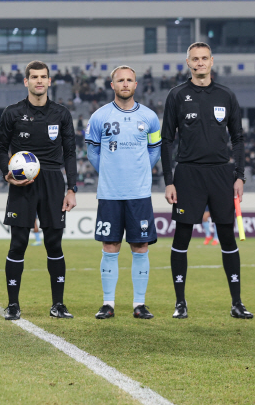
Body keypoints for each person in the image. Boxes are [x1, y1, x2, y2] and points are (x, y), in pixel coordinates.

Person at [161, 42, 252, 320]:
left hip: (222, 175)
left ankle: (237, 303)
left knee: (227, 236)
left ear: (212, 61)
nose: (200, 63)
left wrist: (239, 176)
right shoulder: (177, 95)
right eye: (195, 59)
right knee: (182, 237)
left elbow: (238, 138)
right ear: (188, 63)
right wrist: (169, 180)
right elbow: (166, 140)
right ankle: (180, 303)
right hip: (188, 174)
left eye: (204, 58)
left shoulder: (226, 95)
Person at [0, 60, 77, 320]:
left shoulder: (61, 114)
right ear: (26, 81)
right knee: (18, 244)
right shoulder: (12, 112)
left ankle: (58, 304)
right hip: (23, 183)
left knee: (54, 244)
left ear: (49, 81)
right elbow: (0, 148)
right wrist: (6, 174)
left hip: (53, 181)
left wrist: (72, 187)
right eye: (34, 77)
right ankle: (12, 305)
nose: (39, 81)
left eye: (43, 77)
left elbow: (71, 152)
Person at [84, 65, 161, 320]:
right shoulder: (98, 117)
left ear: (136, 85)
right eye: (120, 80)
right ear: (112, 85)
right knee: (110, 245)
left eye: (130, 80)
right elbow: (92, 151)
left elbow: (155, 149)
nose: (125, 84)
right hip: (110, 192)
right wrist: (108, 171)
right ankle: (108, 304)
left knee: (140, 246)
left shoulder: (150, 117)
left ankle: (140, 305)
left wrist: (140, 171)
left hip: (139, 193)